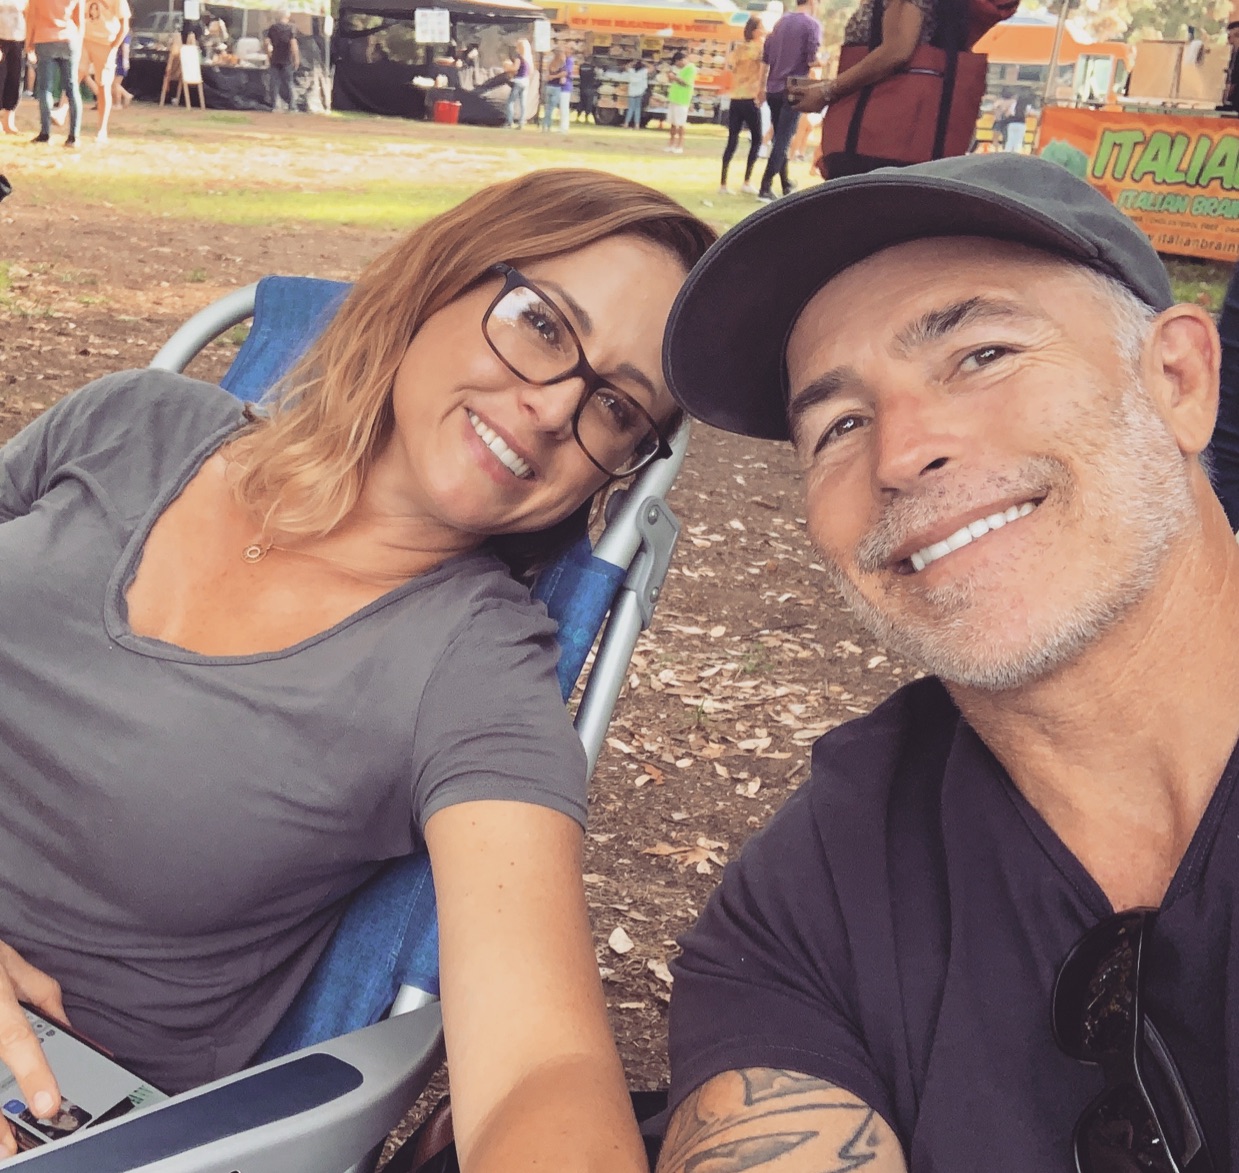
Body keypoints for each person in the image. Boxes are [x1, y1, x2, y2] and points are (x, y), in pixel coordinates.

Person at [0, 168, 716, 1169]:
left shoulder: (471, 669)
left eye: (615, 409)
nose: (555, 408)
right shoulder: (129, 423)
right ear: (439, 279)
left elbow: (540, 1065)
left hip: (52, 1109)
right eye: (543, 325)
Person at [659, 152, 1239, 1171]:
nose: (899, 452)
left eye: (981, 355)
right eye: (838, 424)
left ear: (1178, 380)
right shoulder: (813, 899)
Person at [786, 0, 940, 175]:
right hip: (876, 129)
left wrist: (827, 90)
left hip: (881, 137)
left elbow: (897, 50)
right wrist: (826, 86)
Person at [755, 0, 820, 201]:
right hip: (794, 87)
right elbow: (812, 59)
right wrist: (823, 62)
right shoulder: (811, 25)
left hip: (773, 87)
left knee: (779, 137)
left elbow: (766, 57)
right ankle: (765, 186)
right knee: (783, 139)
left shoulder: (780, 22)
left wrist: (761, 87)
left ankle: (785, 183)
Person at [24, 0, 81, 146]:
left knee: (45, 89)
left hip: (44, 38)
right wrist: (79, 42)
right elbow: (79, 19)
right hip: (69, 38)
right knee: (72, 88)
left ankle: (45, 134)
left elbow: (32, 16)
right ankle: (74, 136)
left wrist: (28, 42)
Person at [719, 16, 764, 194]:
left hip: (735, 97)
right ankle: (746, 181)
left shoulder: (738, 49)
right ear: (755, 31)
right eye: (761, 28)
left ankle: (723, 183)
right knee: (757, 139)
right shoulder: (760, 48)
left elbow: (731, 67)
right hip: (750, 97)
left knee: (732, 139)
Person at [78, 0, 126, 142]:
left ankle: (102, 130)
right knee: (76, 74)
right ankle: (62, 110)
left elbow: (124, 26)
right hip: (84, 39)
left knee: (103, 85)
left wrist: (114, 47)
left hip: (106, 43)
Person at [264, 7, 298, 113]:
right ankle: (292, 106)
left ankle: (274, 106)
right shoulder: (291, 28)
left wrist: (269, 55)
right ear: (287, 16)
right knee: (289, 83)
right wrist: (296, 58)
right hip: (287, 59)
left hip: (275, 59)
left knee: (274, 83)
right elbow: (293, 45)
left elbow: (266, 43)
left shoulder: (272, 28)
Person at [0, 0, 25, 132]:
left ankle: (8, 122)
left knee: (15, 79)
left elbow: (29, 14)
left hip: (18, 39)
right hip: (1, 39)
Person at [663, 49, 695, 154]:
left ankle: (679, 146)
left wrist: (675, 78)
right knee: (672, 123)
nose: (677, 65)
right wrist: (671, 77)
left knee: (680, 123)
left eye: (677, 63)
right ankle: (671, 144)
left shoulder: (691, 68)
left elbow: (686, 83)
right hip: (674, 98)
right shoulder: (680, 70)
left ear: (681, 60)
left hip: (682, 99)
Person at [503, 37, 532, 128]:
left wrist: (507, 67)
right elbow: (530, 71)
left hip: (518, 80)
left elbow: (515, 68)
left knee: (510, 102)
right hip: (526, 81)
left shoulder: (519, 57)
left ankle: (510, 122)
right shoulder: (529, 58)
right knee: (523, 103)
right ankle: (521, 122)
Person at [621, 57, 647, 128]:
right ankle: (637, 125)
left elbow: (626, 67)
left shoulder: (631, 71)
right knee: (637, 109)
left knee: (631, 108)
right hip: (640, 92)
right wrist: (644, 62)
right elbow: (652, 68)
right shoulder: (643, 72)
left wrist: (633, 62)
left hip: (632, 92)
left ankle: (626, 123)